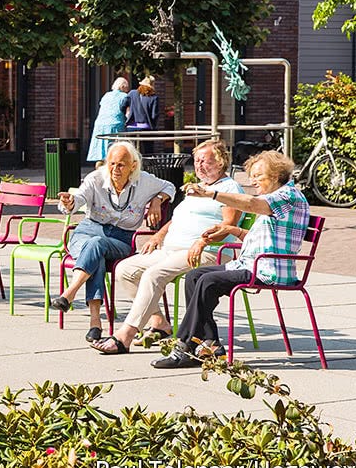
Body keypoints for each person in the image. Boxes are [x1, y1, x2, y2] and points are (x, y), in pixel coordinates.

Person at [152, 150, 310, 369]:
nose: (253, 181)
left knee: (209, 281)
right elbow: (259, 239)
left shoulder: (287, 196)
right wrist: (232, 230)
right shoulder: (276, 199)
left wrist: (211, 194)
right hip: (253, 262)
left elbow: (251, 204)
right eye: (252, 176)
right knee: (194, 276)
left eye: (258, 176)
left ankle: (185, 345)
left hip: (269, 268)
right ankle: (210, 343)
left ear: (275, 175)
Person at [90, 139, 242, 354]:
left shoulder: (229, 188)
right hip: (172, 249)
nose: (198, 165)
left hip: (207, 252)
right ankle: (159, 322)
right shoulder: (196, 188)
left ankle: (125, 335)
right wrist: (158, 235)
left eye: (205, 161)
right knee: (125, 269)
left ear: (220, 163)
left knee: (154, 274)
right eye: (196, 160)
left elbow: (229, 225)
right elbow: (178, 218)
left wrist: (202, 241)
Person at [51, 141, 175, 342]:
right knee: (95, 252)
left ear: (133, 165)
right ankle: (94, 324)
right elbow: (78, 199)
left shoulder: (144, 180)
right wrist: (69, 203)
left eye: (121, 165)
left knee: (96, 246)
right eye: (111, 164)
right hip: (86, 232)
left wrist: (157, 200)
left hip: (121, 239)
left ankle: (71, 294)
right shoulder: (95, 178)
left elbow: (170, 186)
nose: (115, 169)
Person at [87, 77, 129, 163]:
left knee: (101, 152)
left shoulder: (106, 95)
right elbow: (128, 113)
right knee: (115, 151)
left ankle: (99, 166)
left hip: (100, 125)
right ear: (123, 87)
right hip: (115, 125)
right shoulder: (125, 96)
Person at [123, 76, 161, 154]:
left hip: (132, 127)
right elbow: (154, 115)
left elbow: (123, 105)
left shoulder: (132, 93)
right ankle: (147, 165)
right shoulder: (154, 98)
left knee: (132, 150)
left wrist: (127, 114)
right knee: (148, 150)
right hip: (146, 128)